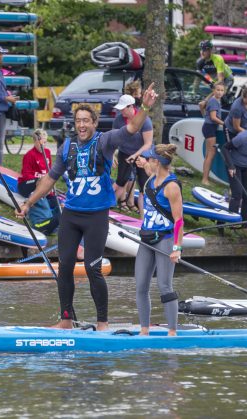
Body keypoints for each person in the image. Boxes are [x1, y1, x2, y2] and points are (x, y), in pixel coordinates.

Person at [16, 84, 159, 331]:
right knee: (66, 267)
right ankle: (65, 320)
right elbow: (49, 178)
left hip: (96, 217)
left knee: (93, 268)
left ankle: (102, 323)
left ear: (94, 123)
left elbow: (133, 127)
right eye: (78, 121)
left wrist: (144, 106)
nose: (81, 125)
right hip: (71, 216)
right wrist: (29, 203)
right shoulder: (66, 148)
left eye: (86, 121)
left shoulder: (105, 141)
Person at [135, 144, 183, 337]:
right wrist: (139, 160)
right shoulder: (151, 176)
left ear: (158, 162)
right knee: (141, 286)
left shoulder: (171, 187)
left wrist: (177, 248)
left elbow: (179, 220)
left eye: (150, 159)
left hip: (165, 239)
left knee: (164, 286)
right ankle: (144, 330)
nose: (147, 162)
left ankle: (172, 332)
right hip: (146, 238)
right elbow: (144, 166)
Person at [112, 94, 153, 215]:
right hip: (125, 152)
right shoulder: (119, 120)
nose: (121, 111)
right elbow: (114, 139)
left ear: (131, 107)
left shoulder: (145, 120)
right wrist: (112, 154)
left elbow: (148, 144)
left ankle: (143, 217)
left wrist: (136, 155)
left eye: (123, 108)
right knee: (121, 181)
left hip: (142, 154)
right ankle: (106, 208)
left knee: (143, 187)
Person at [17, 129, 59, 235]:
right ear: (35, 142)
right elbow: (27, 175)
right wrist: (42, 180)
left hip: (42, 184)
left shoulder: (47, 153)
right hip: (26, 184)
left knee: (54, 200)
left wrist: (50, 187)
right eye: (41, 143)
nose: (43, 145)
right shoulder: (29, 155)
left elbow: (50, 172)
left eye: (45, 143)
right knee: (42, 181)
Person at [201, 82, 226, 185]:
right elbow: (213, 117)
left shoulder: (215, 101)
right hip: (209, 128)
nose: (220, 92)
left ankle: (205, 178)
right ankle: (205, 179)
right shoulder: (214, 101)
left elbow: (201, 106)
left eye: (222, 90)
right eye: (218, 90)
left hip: (209, 127)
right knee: (210, 154)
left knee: (209, 154)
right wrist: (225, 124)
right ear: (213, 91)